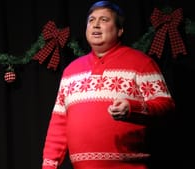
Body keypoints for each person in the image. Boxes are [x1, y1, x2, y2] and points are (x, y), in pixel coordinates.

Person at [41, 1, 175, 169]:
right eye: (91, 20)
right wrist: (49, 165)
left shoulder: (141, 63)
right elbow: (59, 122)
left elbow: (166, 106)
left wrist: (132, 108)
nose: (96, 24)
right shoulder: (71, 71)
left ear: (120, 30)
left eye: (104, 20)